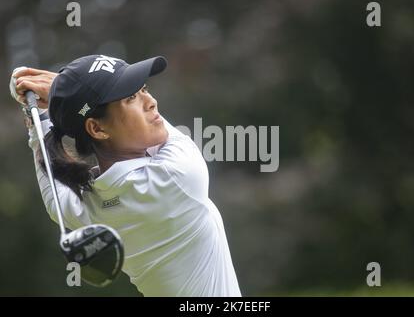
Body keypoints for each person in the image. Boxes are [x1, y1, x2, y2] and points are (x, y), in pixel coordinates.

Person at [9, 54, 241, 297]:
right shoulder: (177, 175)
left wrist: (47, 110)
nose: (151, 102)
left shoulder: (78, 210)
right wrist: (54, 96)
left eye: (144, 89)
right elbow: (45, 154)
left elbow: (45, 157)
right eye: (131, 97)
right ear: (97, 128)